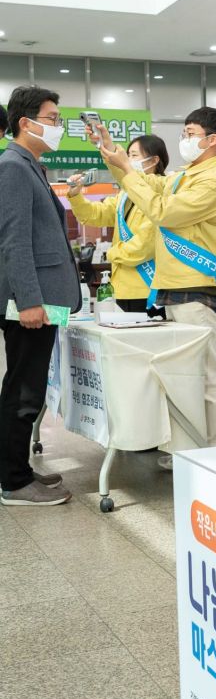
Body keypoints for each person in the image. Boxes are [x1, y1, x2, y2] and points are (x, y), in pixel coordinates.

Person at [91, 107, 216, 451]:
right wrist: (114, 154)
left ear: (212, 140)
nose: (183, 139)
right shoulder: (183, 177)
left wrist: (127, 169)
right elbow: (146, 183)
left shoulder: (212, 182)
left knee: (209, 379)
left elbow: (163, 211)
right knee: (184, 378)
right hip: (173, 290)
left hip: (196, 290)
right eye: (183, 132)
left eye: (190, 133)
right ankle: (190, 449)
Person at [0, 86, 81, 506]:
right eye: (52, 119)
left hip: (44, 302)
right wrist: (30, 300)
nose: (57, 126)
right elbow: (13, 241)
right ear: (25, 123)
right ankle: (13, 482)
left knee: (26, 385)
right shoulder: (13, 167)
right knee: (23, 390)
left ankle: (16, 468)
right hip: (32, 304)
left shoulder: (31, 166)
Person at [67, 135, 169, 314]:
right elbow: (95, 214)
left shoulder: (162, 194)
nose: (128, 160)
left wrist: (111, 253)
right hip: (121, 289)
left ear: (154, 160)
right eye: (127, 155)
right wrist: (76, 195)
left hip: (148, 290)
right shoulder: (125, 194)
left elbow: (145, 246)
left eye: (134, 155)